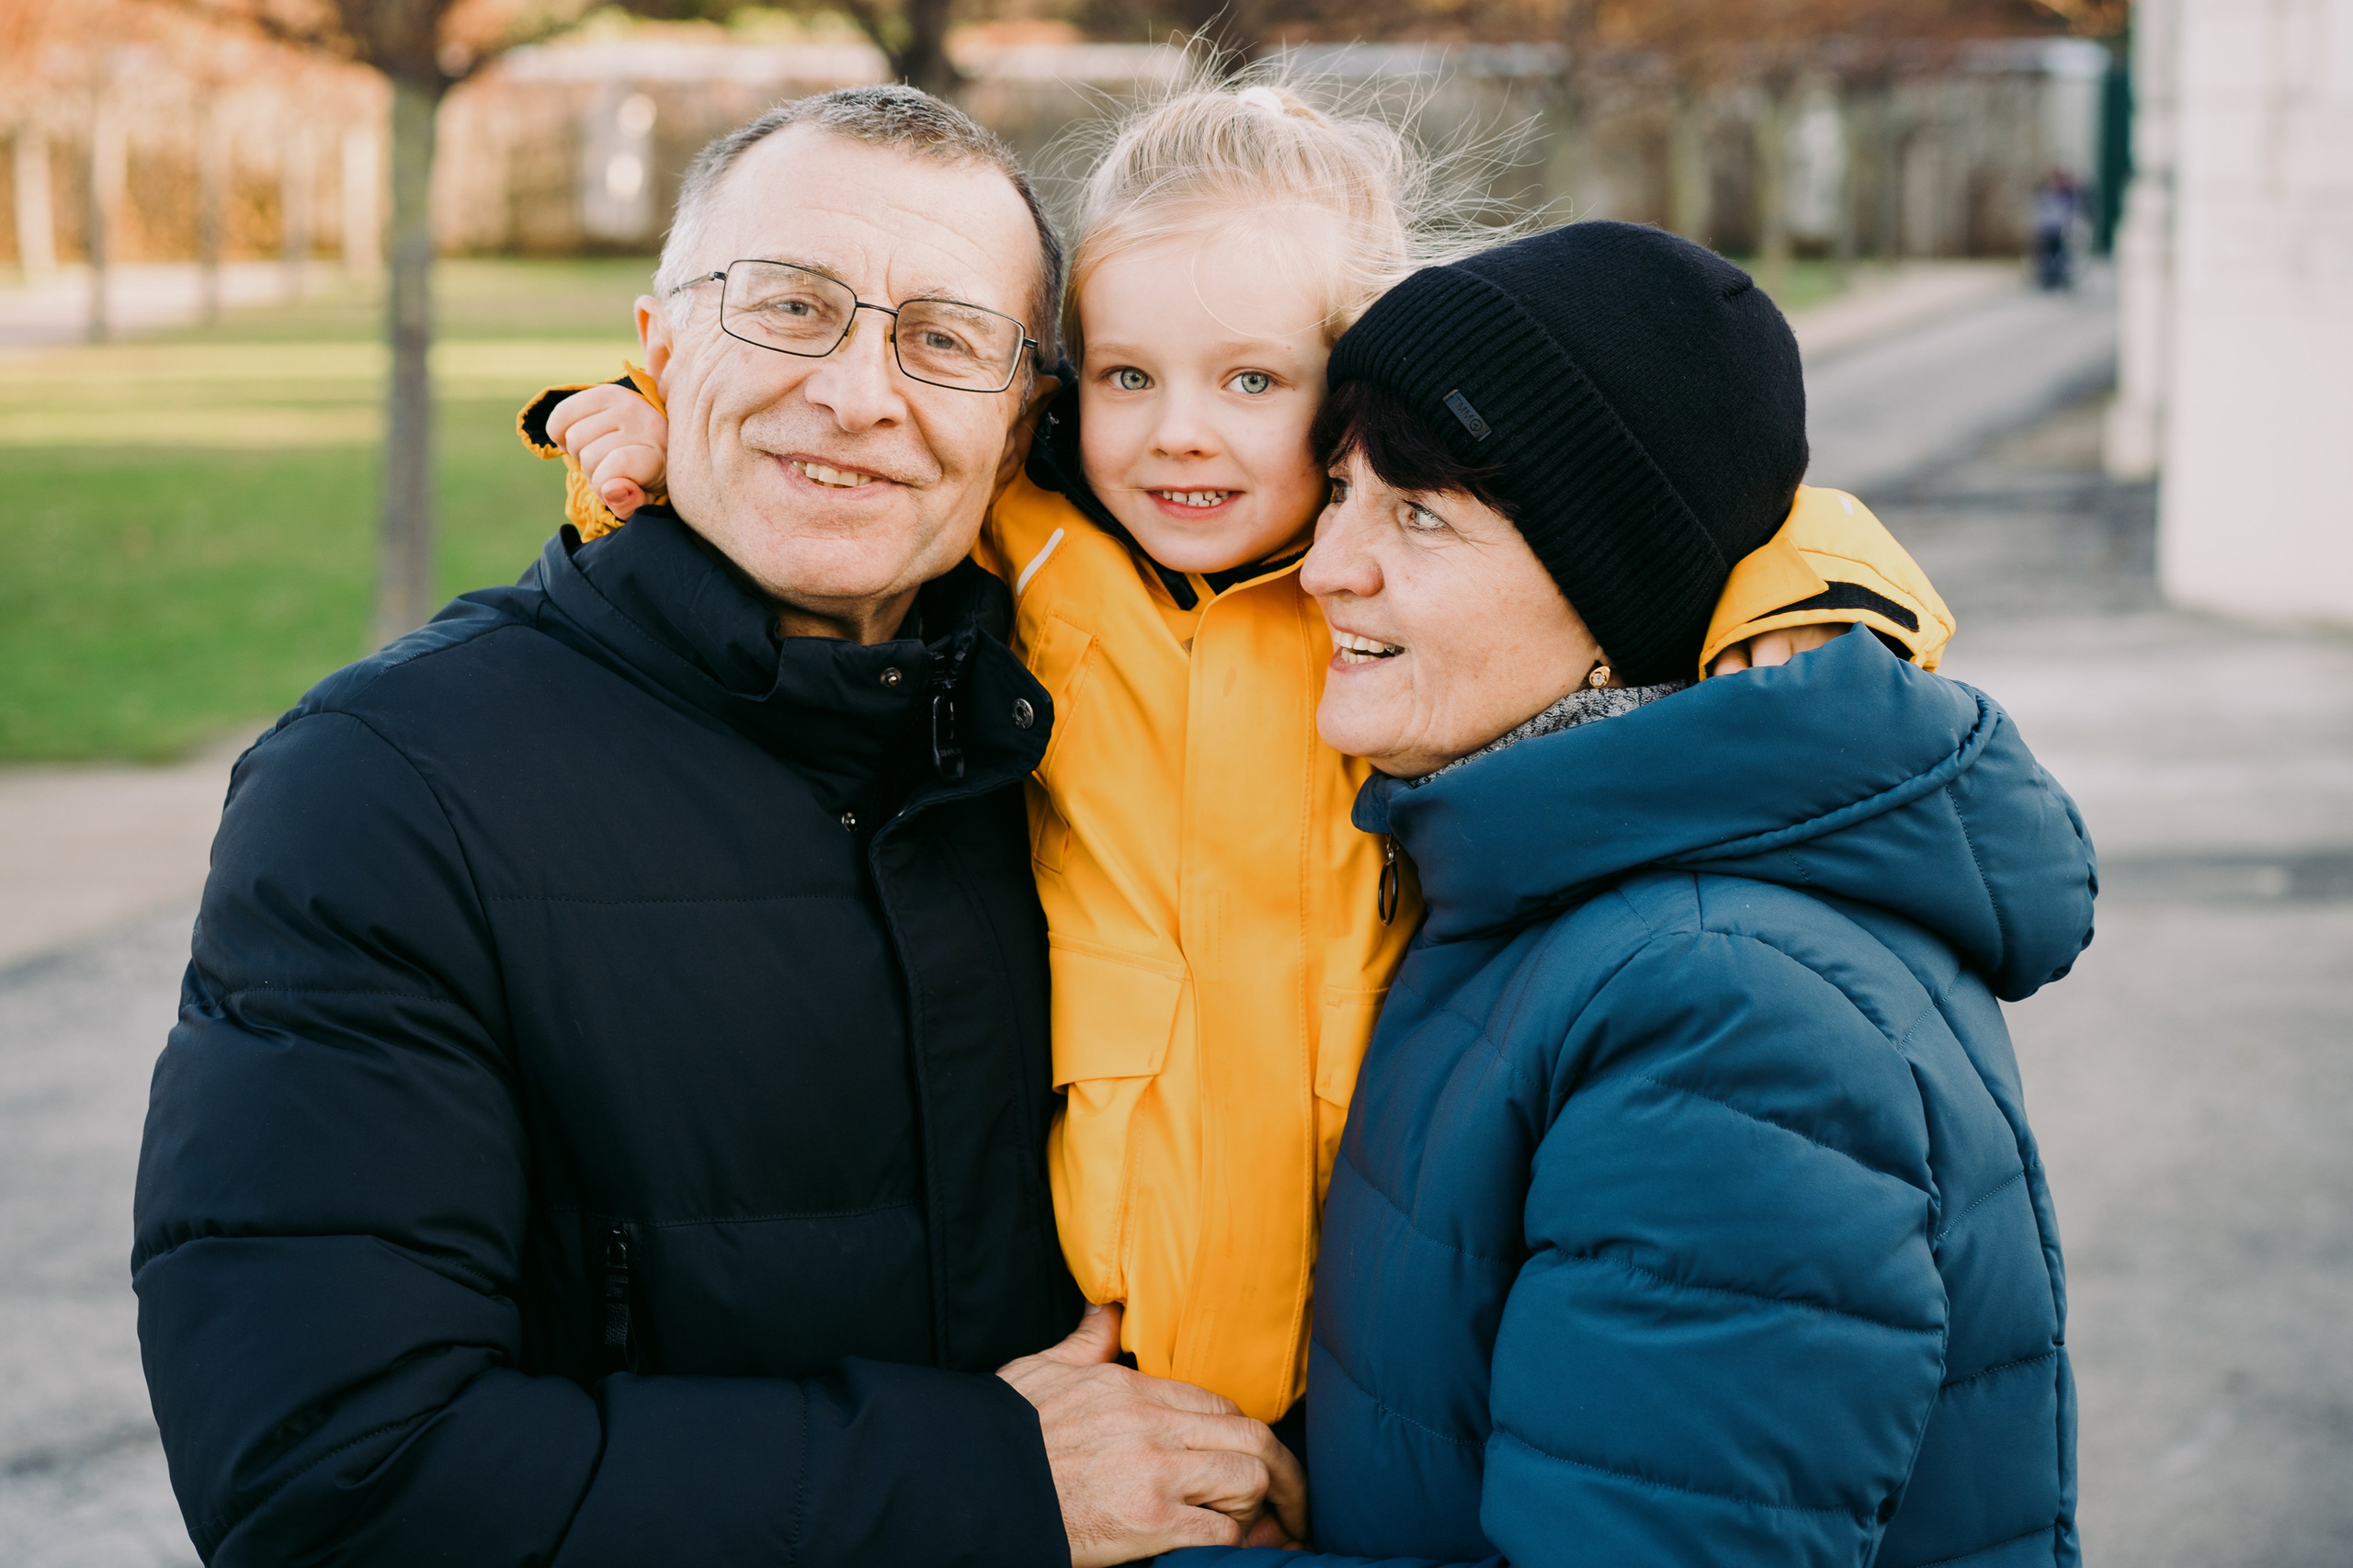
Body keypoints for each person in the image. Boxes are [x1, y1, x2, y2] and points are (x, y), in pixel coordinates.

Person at [537, 82, 1956, 1435]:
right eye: (1127, 376)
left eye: (1253, 380)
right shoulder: (1037, 542)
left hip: (1370, 1311)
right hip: (1114, 1315)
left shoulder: (1389, 590)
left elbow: (1711, 500)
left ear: (1352, 401)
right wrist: (633, 431)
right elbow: (838, 439)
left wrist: (1821, 592)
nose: (1179, 434)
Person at [132, 86, 1310, 1568]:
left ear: (1023, 426)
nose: (859, 393)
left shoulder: (1089, 745)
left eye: (945, 339)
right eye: (792, 306)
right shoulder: (387, 788)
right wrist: (982, 1479)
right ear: (660, 345)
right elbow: (330, 1480)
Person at [1171, 222, 2094, 1565]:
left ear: (1616, 601)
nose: (1324, 567)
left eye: (1420, 513)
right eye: (1342, 490)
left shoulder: (1723, 1024)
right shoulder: (1539, 889)